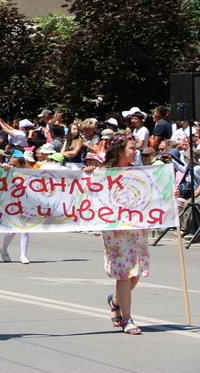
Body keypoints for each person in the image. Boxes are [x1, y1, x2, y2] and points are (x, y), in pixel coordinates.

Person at [92, 135, 149, 335]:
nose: (136, 152)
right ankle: (127, 319)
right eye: (132, 148)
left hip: (137, 227)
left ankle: (115, 301)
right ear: (119, 151)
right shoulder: (104, 172)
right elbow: (87, 191)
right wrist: (88, 174)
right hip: (114, 229)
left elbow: (153, 193)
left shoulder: (140, 172)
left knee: (136, 273)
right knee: (125, 273)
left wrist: (170, 192)